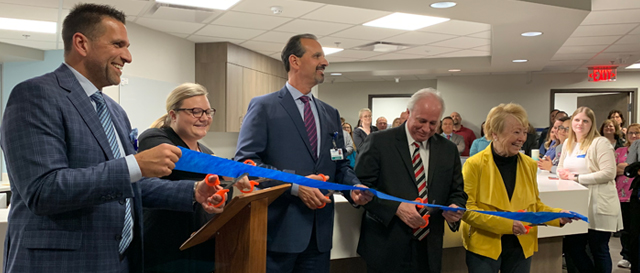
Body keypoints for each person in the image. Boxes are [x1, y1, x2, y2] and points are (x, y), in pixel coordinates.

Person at [0, 4, 227, 273]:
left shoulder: (115, 112)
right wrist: (136, 166)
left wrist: (192, 191)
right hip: (62, 262)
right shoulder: (36, 95)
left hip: (118, 260)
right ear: (81, 43)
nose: (128, 57)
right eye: (118, 45)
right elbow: (43, 190)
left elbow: (127, 187)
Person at [234, 33, 373, 273]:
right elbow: (246, 165)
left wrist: (354, 189)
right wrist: (296, 185)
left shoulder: (330, 113)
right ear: (295, 61)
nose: (325, 62)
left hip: (319, 239)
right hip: (278, 236)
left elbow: (339, 165)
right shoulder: (264, 107)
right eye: (317, 55)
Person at [138, 83, 249, 272]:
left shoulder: (208, 153)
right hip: (163, 249)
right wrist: (223, 165)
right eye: (196, 111)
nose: (204, 118)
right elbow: (181, 160)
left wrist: (218, 202)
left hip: (200, 248)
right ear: (173, 115)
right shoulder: (154, 139)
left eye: (208, 112)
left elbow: (223, 193)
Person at [355, 88, 467, 273]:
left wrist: (456, 207)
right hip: (386, 246)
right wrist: (395, 208)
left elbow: (457, 191)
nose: (426, 128)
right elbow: (361, 187)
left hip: (429, 248)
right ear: (408, 113)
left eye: (433, 123)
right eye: (421, 121)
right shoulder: (379, 142)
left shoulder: (448, 149)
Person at [461, 103, 573, 273]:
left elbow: (534, 205)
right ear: (495, 134)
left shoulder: (529, 165)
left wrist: (556, 216)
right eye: (516, 132)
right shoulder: (474, 165)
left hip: (521, 243)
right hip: (484, 246)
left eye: (524, 132)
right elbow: (468, 210)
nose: (522, 138)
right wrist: (508, 225)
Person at [558, 106, 623, 273]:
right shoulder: (568, 143)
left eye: (585, 121)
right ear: (572, 122)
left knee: (598, 249)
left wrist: (578, 178)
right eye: (577, 120)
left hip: (599, 203)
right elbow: (560, 167)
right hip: (577, 203)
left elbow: (609, 173)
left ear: (592, 124)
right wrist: (563, 174)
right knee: (573, 247)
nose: (580, 124)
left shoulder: (600, 142)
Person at [614, 123, 640, 269]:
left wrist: (626, 168)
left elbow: (628, 168)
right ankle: (626, 255)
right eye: (631, 133)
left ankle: (634, 256)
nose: (634, 136)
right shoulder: (620, 150)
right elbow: (614, 169)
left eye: (637, 133)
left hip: (635, 194)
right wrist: (629, 168)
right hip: (621, 193)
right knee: (625, 227)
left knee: (635, 228)